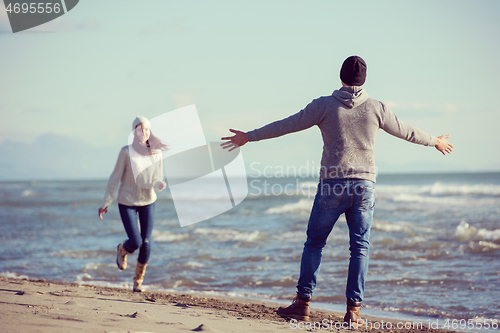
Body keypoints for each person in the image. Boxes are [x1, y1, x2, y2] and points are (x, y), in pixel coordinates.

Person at [221, 56, 453, 324]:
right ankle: (354, 312)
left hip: (332, 184)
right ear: (364, 80)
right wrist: (434, 141)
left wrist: (249, 136)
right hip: (364, 186)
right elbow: (406, 131)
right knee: (360, 248)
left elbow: (287, 124)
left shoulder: (324, 105)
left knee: (315, 243)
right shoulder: (377, 108)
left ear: (340, 76)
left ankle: (302, 303)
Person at [98, 116, 168, 292]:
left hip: (148, 201)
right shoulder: (126, 152)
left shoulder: (156, 152)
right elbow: (115, 178)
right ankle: (122, 249)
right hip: (127, 201)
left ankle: (138, 281)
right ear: (134, 131)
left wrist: (159, 184)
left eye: (146, 130)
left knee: (146, 242)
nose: (143, 133)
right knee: (136, 241)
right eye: (139, 129)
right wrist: (106, 202)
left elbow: (157, 177)